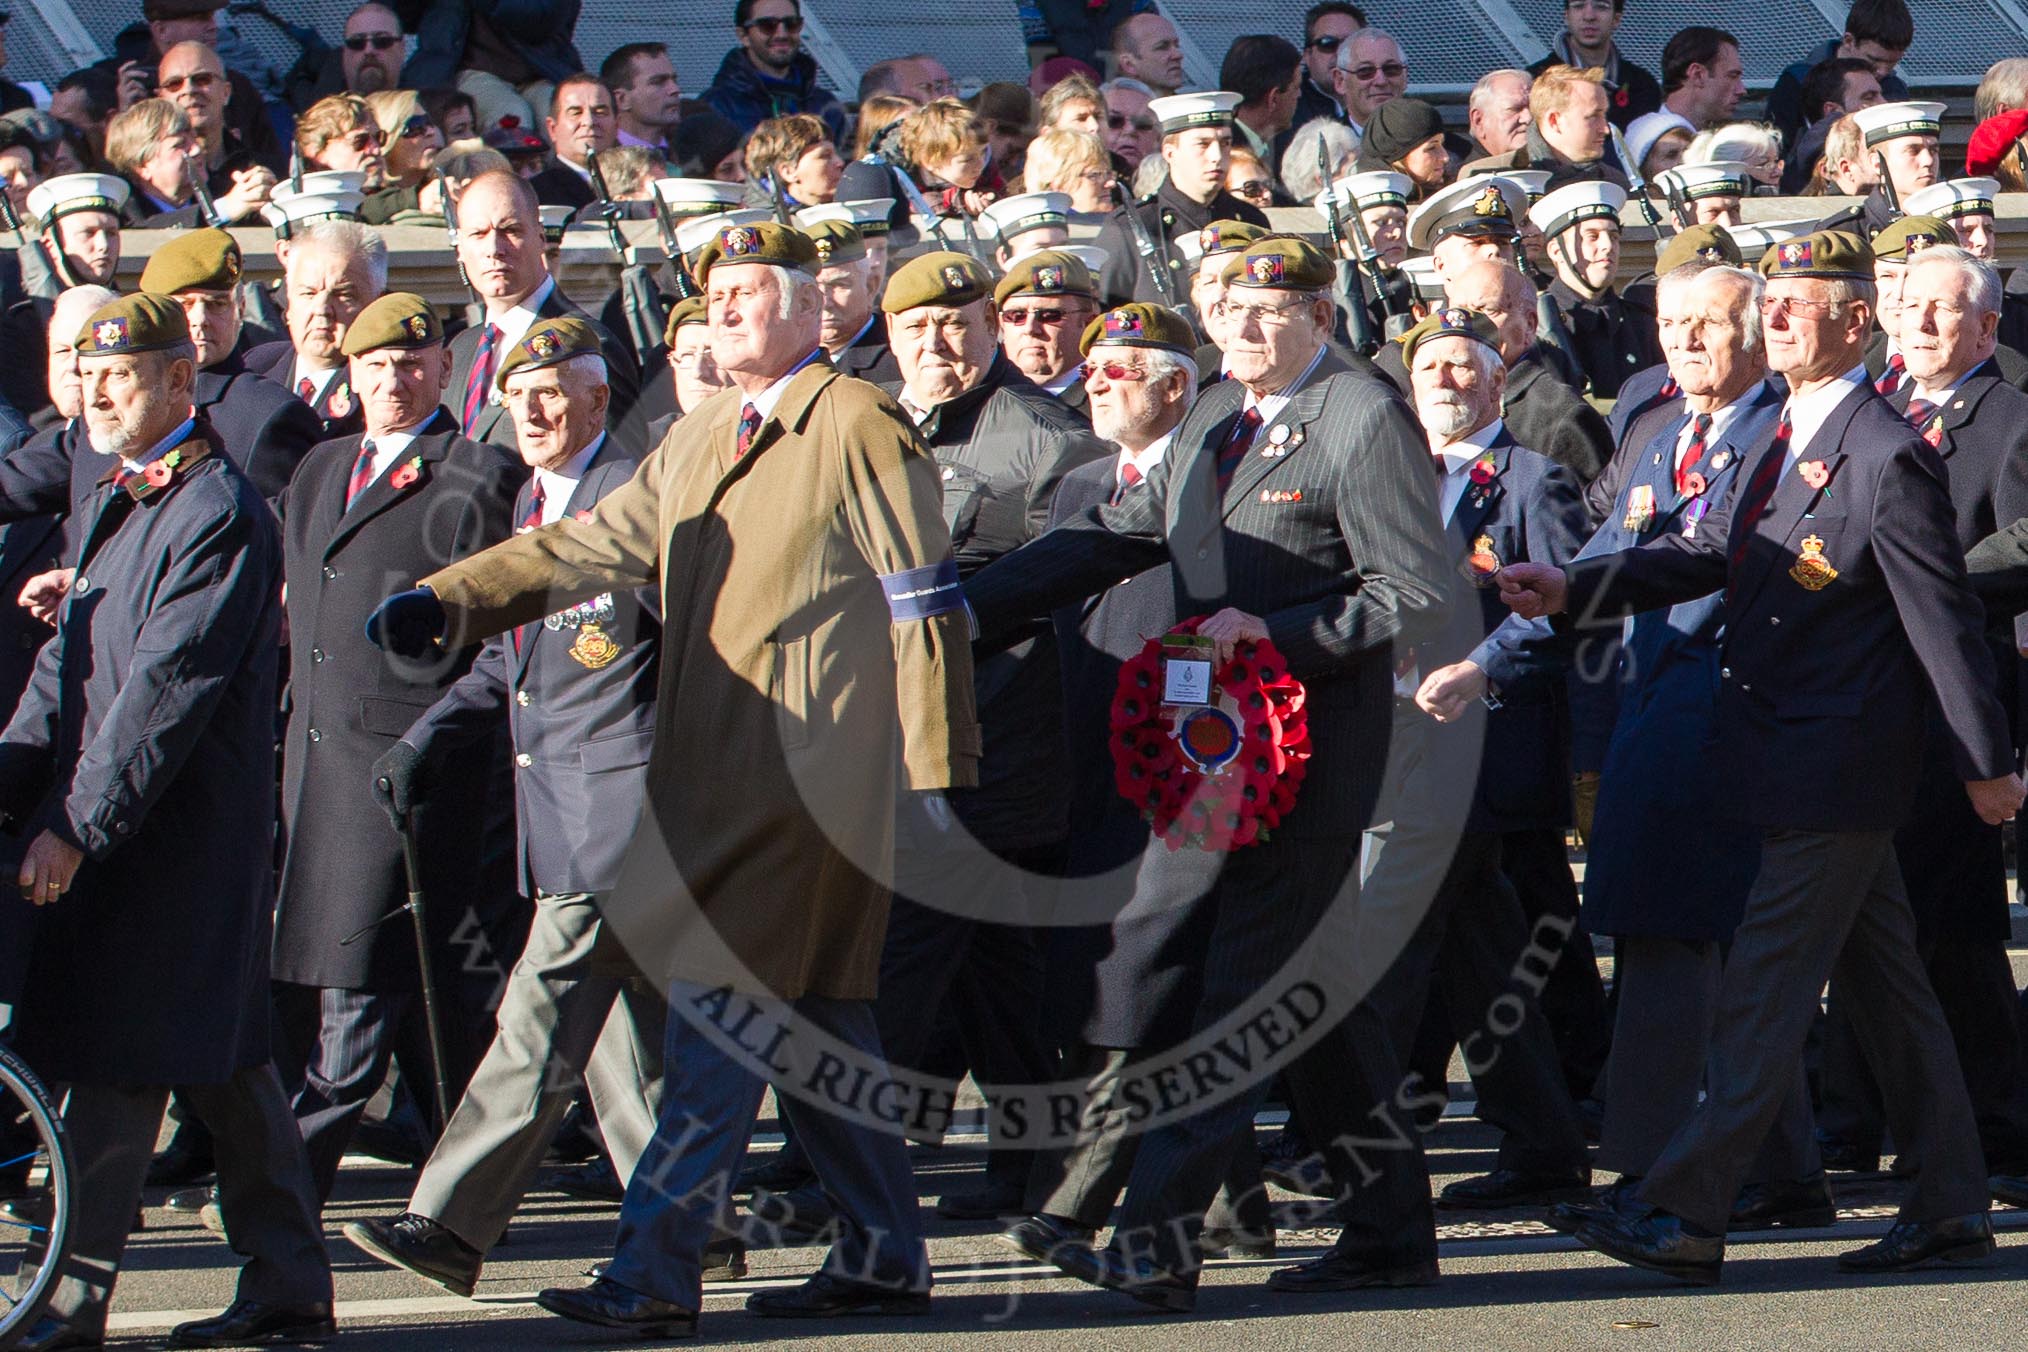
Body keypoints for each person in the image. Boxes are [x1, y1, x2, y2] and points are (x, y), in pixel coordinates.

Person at [366, 219, 977, 1335]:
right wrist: (451, 598)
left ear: (813, 309)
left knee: (716, 1030)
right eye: (720, 292)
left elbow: (922, 598)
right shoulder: (701, 436)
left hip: (806, 789)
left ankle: (654, 1270)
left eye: (753, 289)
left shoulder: (856, 420)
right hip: (715, 784)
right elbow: (584, 547)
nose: (732, 306)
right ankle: (887, 1256)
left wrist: (934, 771)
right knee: (821, 1027)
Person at [1499, 228, 2020, 1284]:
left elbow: (1941, 620)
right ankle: (1951, 1202)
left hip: (1836, 766)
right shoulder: (1786, 432)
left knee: (1762, 995)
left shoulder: (1884, 450)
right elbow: (1699, 547)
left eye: (1800, 302)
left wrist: (1985, 762)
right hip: (1783, 752)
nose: (1775, 316)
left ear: (1852, 322)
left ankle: (1680, 1208)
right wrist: (1575, 589)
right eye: (1772, 299)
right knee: (1891, 991)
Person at [963, 233, 1453, 1310]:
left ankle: (1155, 1240)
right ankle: (1389, 1234)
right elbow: (1112, 533)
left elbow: (1412, 593)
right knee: (1317, 1013)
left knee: (1237, 997)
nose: (1243, 325)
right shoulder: (1218, 415)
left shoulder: (1362, 417)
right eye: (1229, 306)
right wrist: (960, 612)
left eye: (1270, 311)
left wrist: (1270, 633)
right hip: (1219, 766)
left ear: (1322, 318)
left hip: (1306, 763)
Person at [1439, 263, 1814, 1222]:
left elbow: (1697, 563)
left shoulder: (1783, 435)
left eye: (1710, 324)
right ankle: (1777, 1172)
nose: (1686, 340)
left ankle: (1656, 1174)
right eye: (1672, 322)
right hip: (1655, 716)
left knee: (1699, 949)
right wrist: (1491, 656)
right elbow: (1587, 570)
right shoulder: (1655, 432)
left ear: (1759, 334)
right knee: (1682, 943)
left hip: (1743, 723)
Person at [0, 292, 334, 1352]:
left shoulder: (214, 510)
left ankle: (70, 1299)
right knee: (225, 1060)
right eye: (89, 373)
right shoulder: (123, 491)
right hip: (119, 826)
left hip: (173, 843)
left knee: (119, 1058)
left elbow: (163, 694)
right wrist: (10, 781)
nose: (98, 391)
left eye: (124, 374)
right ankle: (287, 1278)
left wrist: (76, 825)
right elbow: (72, 665)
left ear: (180, 382)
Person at [342, 316, 679, 1296]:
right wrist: (425, 739)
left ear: (595, 396)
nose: (529, 409)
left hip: (625, 811)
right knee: (621, 1045)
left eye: (552, 390)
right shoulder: (537, 498)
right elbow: (510, 658)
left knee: (535, 1021)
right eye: (516, 395)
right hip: (564, 815)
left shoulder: (632, 501)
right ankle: (695, 1225)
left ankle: (447, 1219)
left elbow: (702, 652)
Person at [1001, 300, 1280, 1266]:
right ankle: (1234, 1202)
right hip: (1090, 769)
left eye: (1121, 369)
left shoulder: (1225, 482)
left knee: (1149, 977)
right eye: (1093, 370)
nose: (1097, 382)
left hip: (1193, 773)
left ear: (1176, 387)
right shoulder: (1078, 484)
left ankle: (1080, 1201)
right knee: (1127, 977)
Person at [268, 291, 525, 1204]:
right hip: (314, 766)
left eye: (413, 363)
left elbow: (499, 632)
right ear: (349, 370)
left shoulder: (476, 472)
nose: (394, 377)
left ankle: (283, 1190)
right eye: (375, 363)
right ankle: (463, 1180)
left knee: (359, 990)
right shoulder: (321, 466)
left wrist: (424, 744)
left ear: (445, 371)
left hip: (404, 778)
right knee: (425, 1001)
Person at [1817, 246, 2028, 1177]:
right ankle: (1852, 1121)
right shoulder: (1872, 411)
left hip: (1957, 701)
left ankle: (1998, 1128)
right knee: (1867, 919)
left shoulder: (2014, 418)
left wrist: (1917, 583)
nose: (1925, 324)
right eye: (1911, 308)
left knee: (1956, 927)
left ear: (1987, 328)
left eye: (1947, 311)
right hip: (1869, 702)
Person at [446, 169, 640, 449]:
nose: (494, 248)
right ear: (460, 249)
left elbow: (621, 465)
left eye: (511, 230)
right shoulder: (461, 350)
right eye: (478, 234)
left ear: (540, 238)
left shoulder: (588, 345)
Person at [1095, 92, 1267, 308]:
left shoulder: (1250, 222)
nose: (1216, 155)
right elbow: (1106, 319)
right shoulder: (1132, 226)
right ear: (1169, 153)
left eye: (1225, 143)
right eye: (1202, 145)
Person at [1446, 259, 1613, 482]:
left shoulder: (1561, 417)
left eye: (1487, 310)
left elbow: (1592, 512)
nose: (1469, 325)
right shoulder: (1433, 401)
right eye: (1458, 314)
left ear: (1530, 324)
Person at [241, 218, 386, 438]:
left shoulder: (384, 391)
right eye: (308, 293)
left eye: (343, 295)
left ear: (376, 304)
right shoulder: (255, 368)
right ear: (288, 302)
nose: (321, 309)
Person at [1533, 180, 1659, 398]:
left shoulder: (1640, 323)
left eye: (1613, 236)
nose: (1608, 246)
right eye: (1592, 236)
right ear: (1556, 251)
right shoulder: (1538, 325)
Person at [395, 0, 586, 137]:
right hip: (471, 72)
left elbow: (542, 19)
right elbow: (402, 16)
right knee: (510, 116)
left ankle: (570, 190)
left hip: (542, 73)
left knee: (559, 118)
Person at [1767, 0, 1912, 149]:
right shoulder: (1797, 80)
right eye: (1874, 60)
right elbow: (1774, 149)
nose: (1882, 71)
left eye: (1892, 62)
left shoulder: (1894, 88)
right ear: (1849, 41)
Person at [701, 0, 847, 141]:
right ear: (743, 36)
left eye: (791, 24)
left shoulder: (826, 104)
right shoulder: (716, 105)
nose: (781, 34)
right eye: (768, 25)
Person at [157, 40, 276, 209]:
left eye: (202, 79)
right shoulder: (146, 179)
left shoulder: (260, 167)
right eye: (175, 83)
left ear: (226, 93)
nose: (189, 90)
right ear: (160, 98)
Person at [1462, 64, 1624, 186]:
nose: (1528, 117)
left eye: (1532, 108)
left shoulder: (1613, 180)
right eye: (1514, 109)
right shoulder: (1481, 178)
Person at [996, 250, 1103, 418]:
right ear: (1001, 324)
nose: (1030, 328)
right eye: (1017, 316)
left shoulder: (1107, 403)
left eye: (1049, 316)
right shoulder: (982, 399)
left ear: (1088, 323)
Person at [1818, 99, 1940, 239]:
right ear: (1877, 163)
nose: (1928, 160)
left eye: (1933, 150)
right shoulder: (1843, 234)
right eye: (1913, 151)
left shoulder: (1955, 224)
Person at [1533, 0, 1661, 128]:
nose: (1589, 16)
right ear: (1566, 16)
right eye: (1578, 6)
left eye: (1601, 7)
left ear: (1616, 19)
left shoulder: (1642, 86)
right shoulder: (1536, 81)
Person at [802, 219, 898, 384]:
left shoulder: (898, 359)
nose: (825, 302)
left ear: (870, 286)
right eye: (814, 288)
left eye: (839, 285)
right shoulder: (785, 359)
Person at [1779, 57, 1882, 193]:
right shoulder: (1801, 165)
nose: (1883, 103)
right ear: (1832, 112)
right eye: (1869, 98)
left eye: (1881, 95)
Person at [1224, 35, 1302, 198]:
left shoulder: (1286, 146)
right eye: (1296, 87)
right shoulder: (1224, 154)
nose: (1299, 95)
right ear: (1273, 98)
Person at [528, 74, 616, 213]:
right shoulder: (534, 194)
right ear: (552, 128)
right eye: (575, 113)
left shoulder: (639, 183)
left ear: (617, 124)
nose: (589, 122)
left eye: (600, 112)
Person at [1659, 27, 1745, 132]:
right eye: (1732, 76)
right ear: (1698, 75)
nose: (1742, 90)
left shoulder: (1646, 129)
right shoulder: (1669, 144)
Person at [1333, 28, 1408, 147]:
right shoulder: (1324, 146)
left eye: (1391, 69)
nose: (1381, 81)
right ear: (1340, 81)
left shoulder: (1434, 142)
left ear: (1405, 76)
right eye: (1365, 71)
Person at [604, 42, 681, 152]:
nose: (675, 89)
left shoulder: (691, 155)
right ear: (622, 99)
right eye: (658, 82)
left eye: (674, 80)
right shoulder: (598, 160)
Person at [1110, 14, 1184, 97]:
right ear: (1129, 64)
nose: (1178, 55)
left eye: (1177, 45)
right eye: (1162, 47)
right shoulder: (1106, 108)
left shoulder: (1189, 107)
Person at [1466, 70, 1532, 162]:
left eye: (1534, 108)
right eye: (1514, 109)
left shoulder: (1551, 170)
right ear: (1479, 121)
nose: (1528, 118)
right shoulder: (1470, 175)